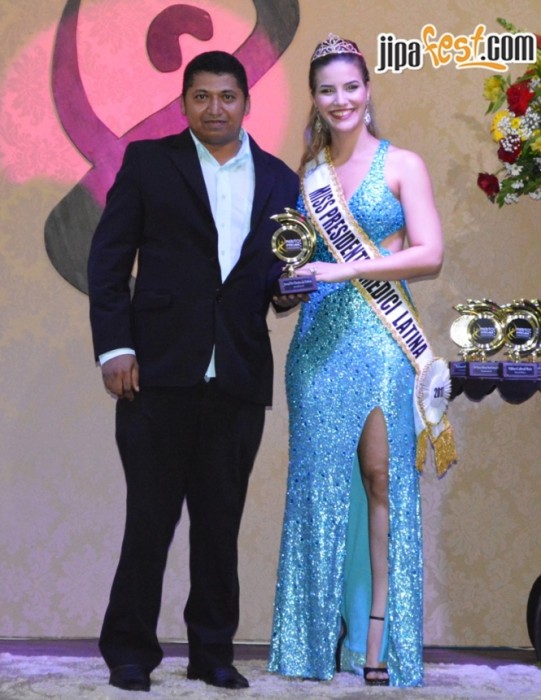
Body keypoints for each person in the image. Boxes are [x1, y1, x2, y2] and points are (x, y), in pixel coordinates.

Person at [87, 50, 299, 693]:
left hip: (237, 373)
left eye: (227, 96)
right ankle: (129, 653)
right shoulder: (149, 163)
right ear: (184, 103)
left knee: (219, 525)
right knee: (148, 523)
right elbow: (108, 261)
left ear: (246, 103)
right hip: (155, 373)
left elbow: (274, 275)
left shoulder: (280, 179)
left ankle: (212, 653)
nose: (214, 108)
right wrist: (114, 348)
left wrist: (291, 287)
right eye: (201, 96)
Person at [268, 34, 453, 687]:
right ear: (314, 99)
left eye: (350, 86)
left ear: (367, 90)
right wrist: (288, 287)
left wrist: (344, 268)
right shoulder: (306, 176)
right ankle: (310, 644)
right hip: (317, 346)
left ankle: (379, 644)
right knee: (318, 490)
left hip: (381, 341)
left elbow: (429, 254)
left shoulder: (402, 163)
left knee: (382, 482)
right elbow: (296, 263)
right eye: (327, 90)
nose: (340, 99)